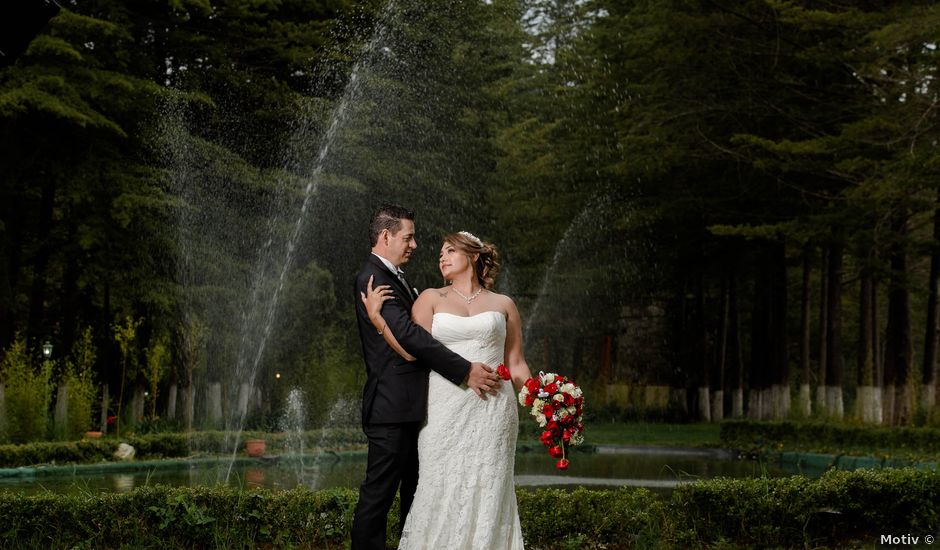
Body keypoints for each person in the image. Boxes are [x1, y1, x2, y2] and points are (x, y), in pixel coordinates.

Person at [362, 229, 531, 549]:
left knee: (489, 487)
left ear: (473, 256)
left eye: (451, 250)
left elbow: (517, 362)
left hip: (494, 411)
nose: (442, 256)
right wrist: (378, 320)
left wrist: (542, 398)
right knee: (439, 484)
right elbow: (412, 350)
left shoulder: (504, 304)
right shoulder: (429, 298)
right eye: (441, 252)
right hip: (444, 410)